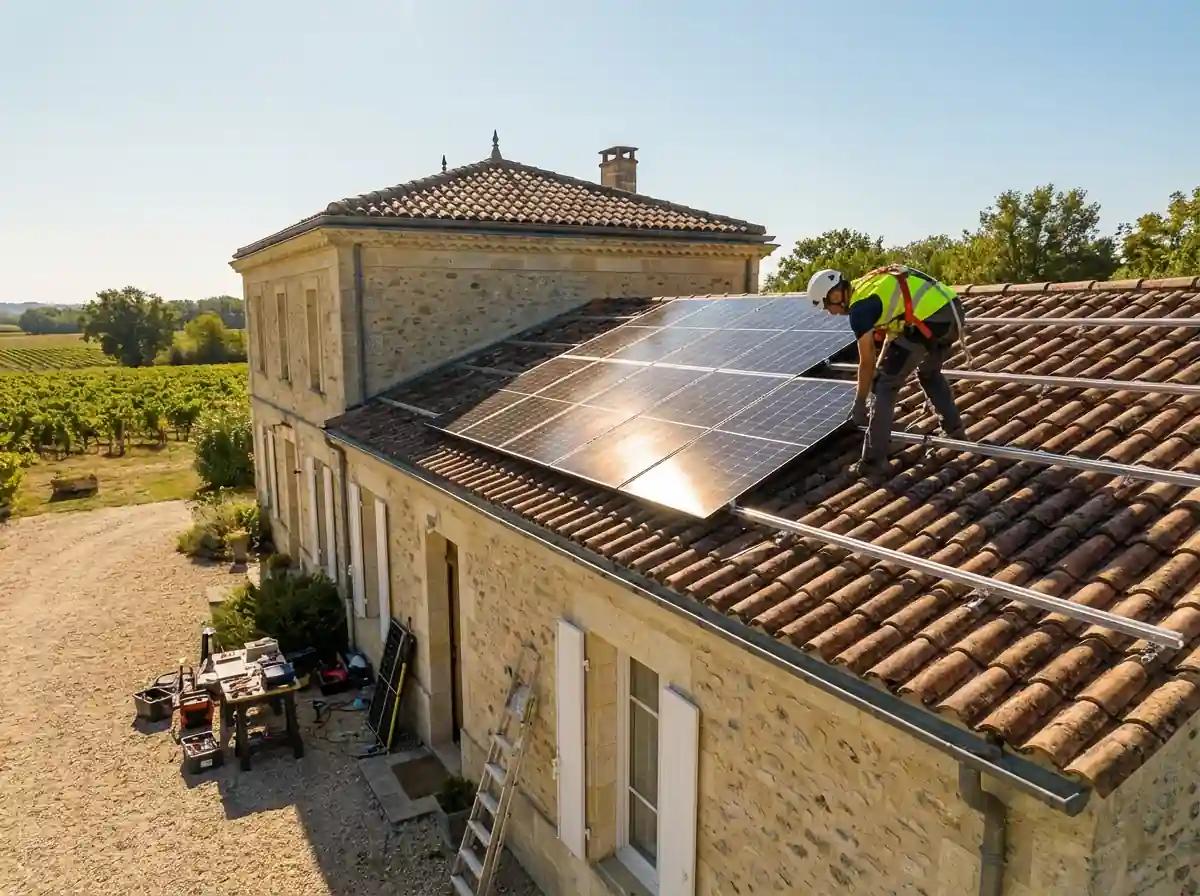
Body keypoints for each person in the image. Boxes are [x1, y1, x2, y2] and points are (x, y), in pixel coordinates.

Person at [806, 264, 968, 481]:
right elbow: (889, 337)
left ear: (836, 295)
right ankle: (954, 430)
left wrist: (860, 403)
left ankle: (873, 462)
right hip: (952, 311)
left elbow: (866, 362)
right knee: (928, 373)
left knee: (884, 385)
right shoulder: (865, 287)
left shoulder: (860, 310)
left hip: (932, 320)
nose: (830, 312)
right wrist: (881, 365)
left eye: (827, 306)